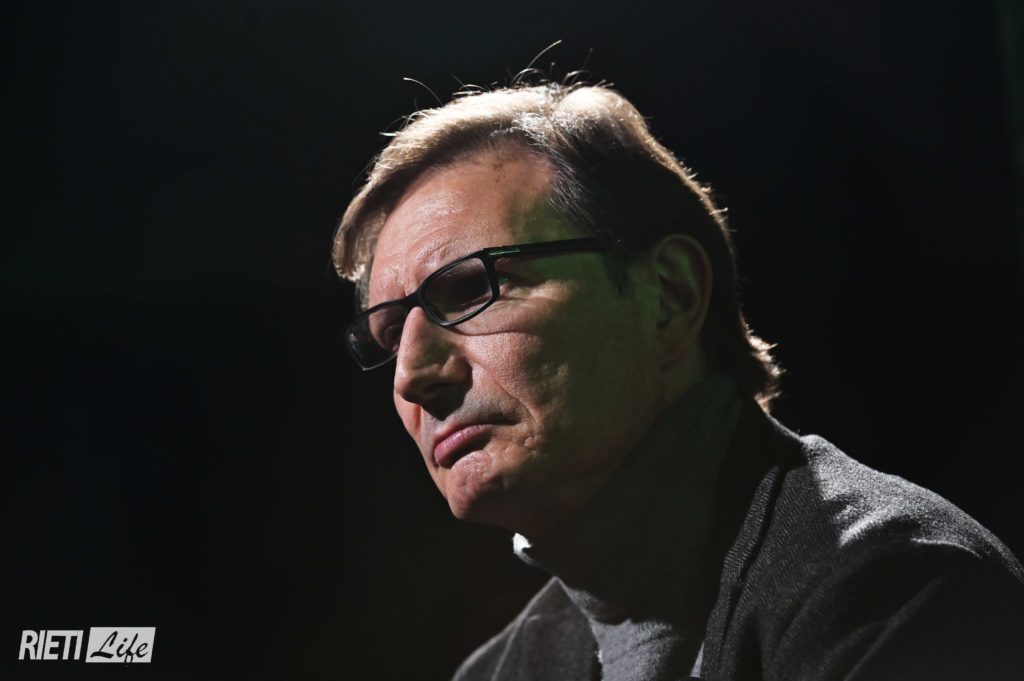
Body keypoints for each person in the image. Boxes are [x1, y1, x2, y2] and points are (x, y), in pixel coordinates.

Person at [331, 82, 1024, 680]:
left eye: (470, 288)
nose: (412, 375)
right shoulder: (496, 673)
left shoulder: (898, 589)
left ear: (669, 295)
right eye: (390, 335)